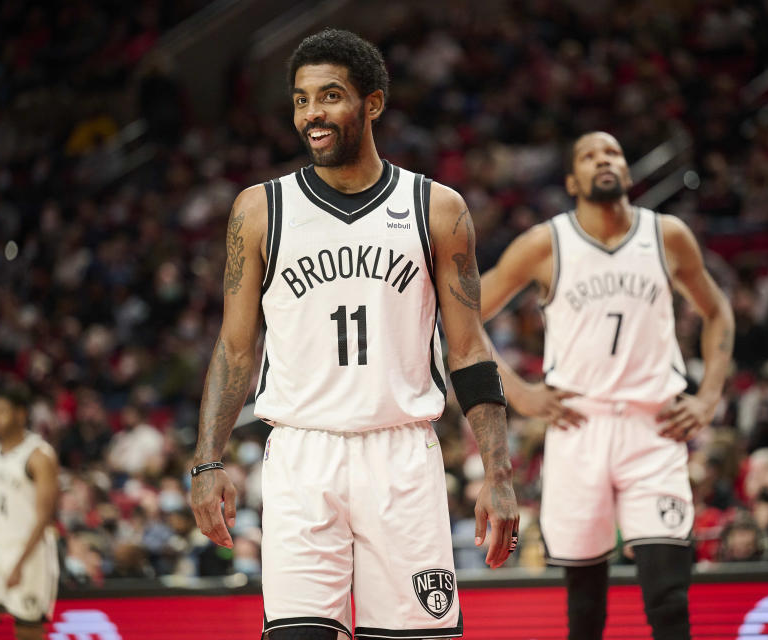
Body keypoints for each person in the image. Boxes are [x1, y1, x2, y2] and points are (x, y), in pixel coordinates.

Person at [188, 29, 518, 640]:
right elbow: (235, 348)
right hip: (300, 457)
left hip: (401, 456)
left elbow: (468, 350)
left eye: (330, 95)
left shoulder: (438, 208)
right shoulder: (259, 210)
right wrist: (207, 461)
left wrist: (497, 474)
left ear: (373, 103)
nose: (311, 113)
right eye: (300, 99)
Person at [480, 131, 734, 640]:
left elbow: (717, 311)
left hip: (653, 427)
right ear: (573, 181)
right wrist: (519, 391)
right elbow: (464, 316)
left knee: (668, 600)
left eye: (613, 152)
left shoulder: (667, 236)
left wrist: (708, 397)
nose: (603, 159)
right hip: (579, 426)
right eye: (590, 155)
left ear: (627, 171)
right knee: (585, 611)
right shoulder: (544, 243)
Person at [0, 385, 60, 639]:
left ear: (20, 414)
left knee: (27, 632)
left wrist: (19, 562)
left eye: (2, 411)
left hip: (29, 553)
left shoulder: (39, 455)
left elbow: (45, 516)